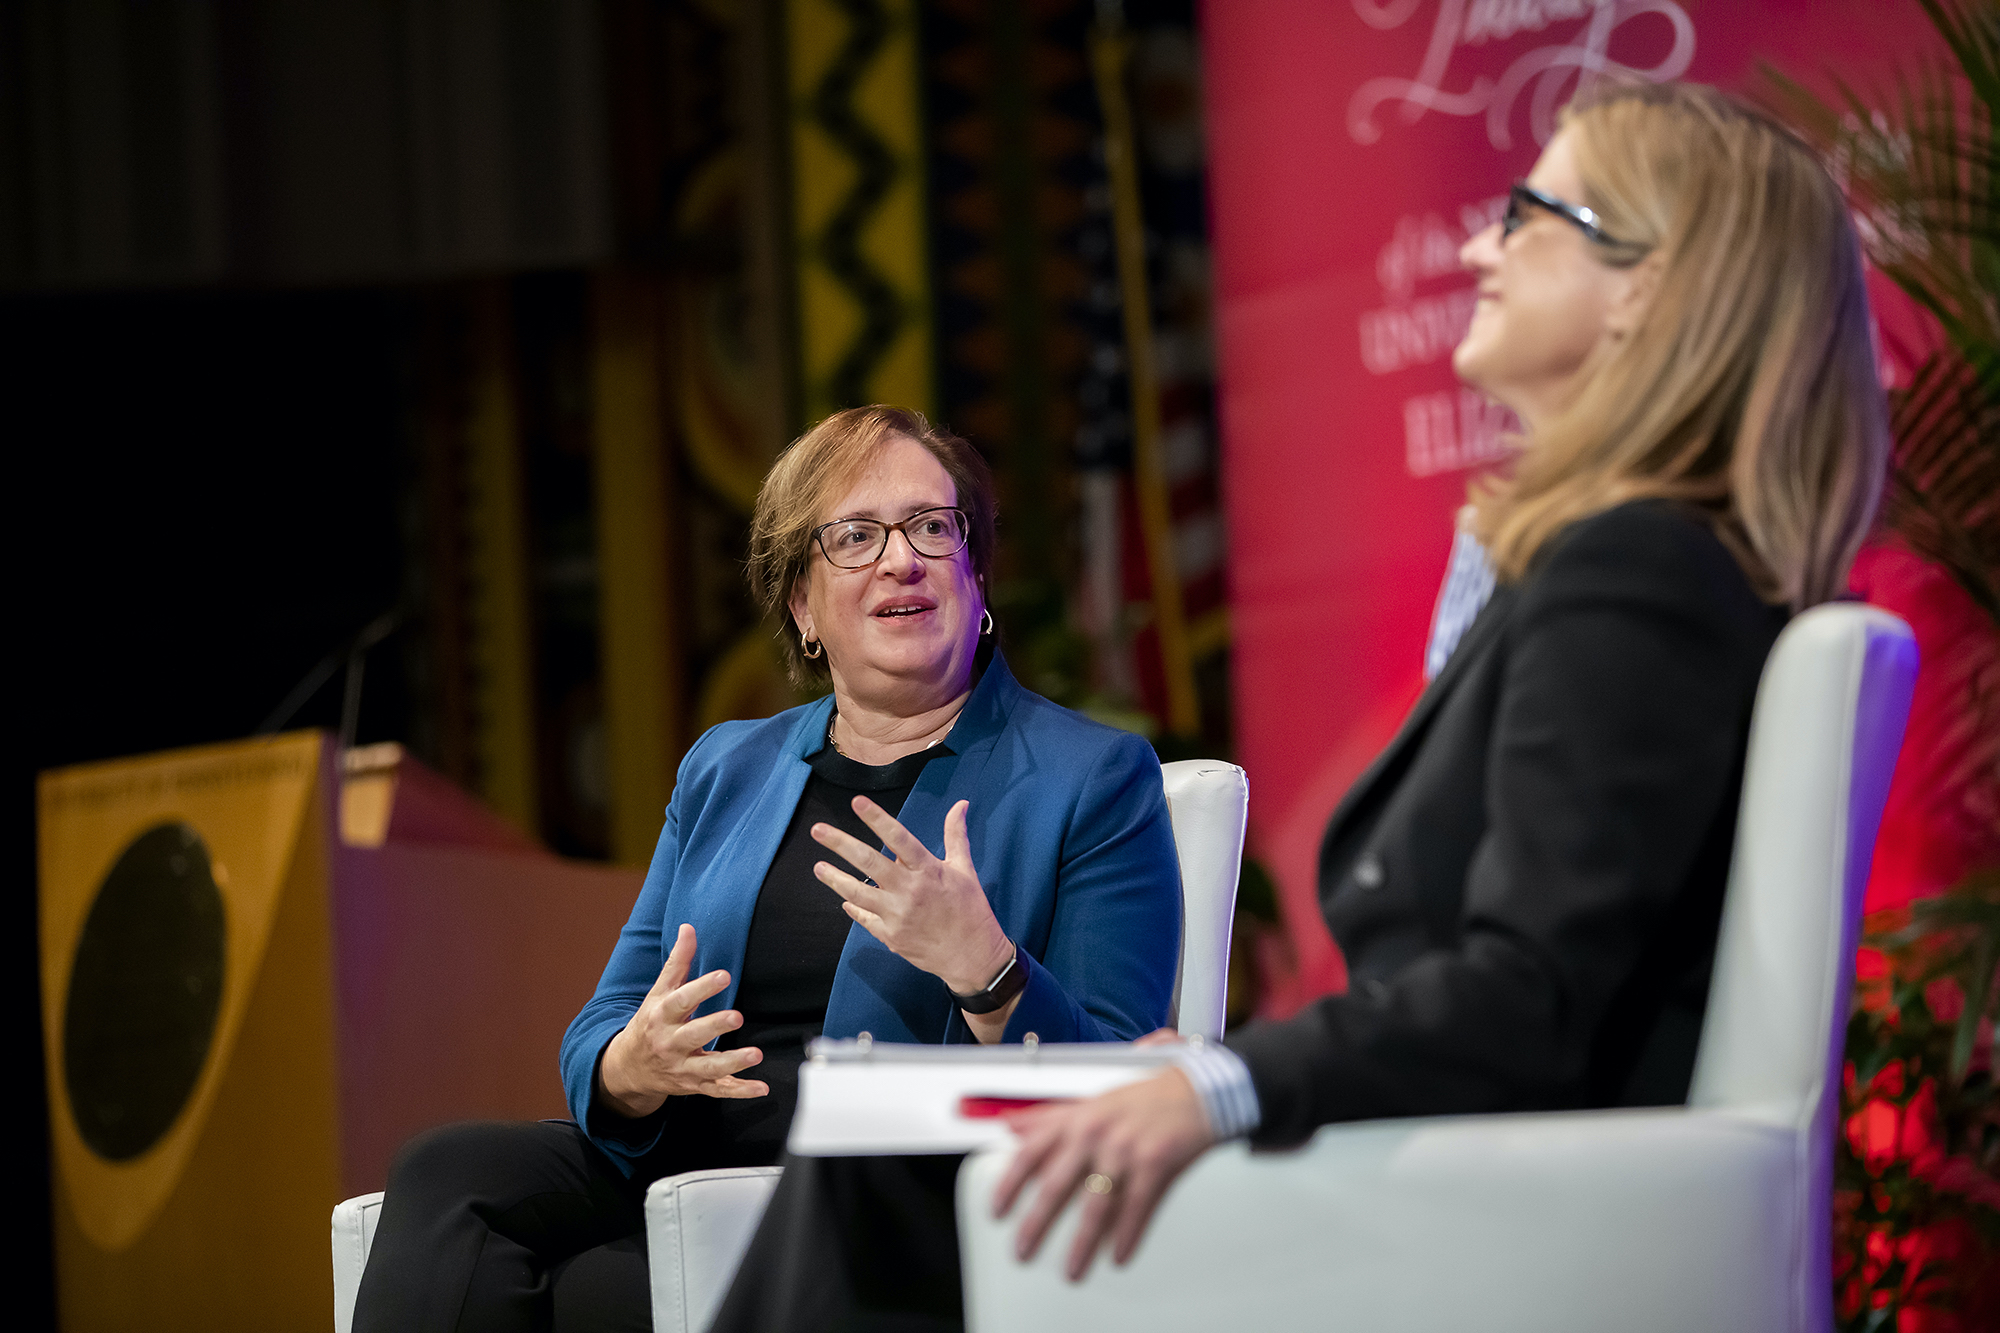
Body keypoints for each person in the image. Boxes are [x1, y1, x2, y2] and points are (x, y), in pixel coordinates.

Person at [711, 80, 1890, 1326]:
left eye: (1531, 214)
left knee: (879, 1163)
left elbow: (1523, 999)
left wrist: (1218, 1083)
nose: (1481, 244)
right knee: (875, 1150)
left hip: (1488, 1194)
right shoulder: (1640, 564)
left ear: (1644, 286)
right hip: (1450, 1154)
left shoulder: (1635, 570)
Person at [351, 406, 1182, 1332]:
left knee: (586, 1296)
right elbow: (602, 1026)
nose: (900, 559)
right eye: (855, 537)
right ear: (802, 606)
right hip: (692, 1163)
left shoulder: (1091, 779)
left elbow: (1120, 1086)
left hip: (883, 1192)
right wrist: (636, 1062)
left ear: (975, 571)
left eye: (930, 527)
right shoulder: (727, 767)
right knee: (446, 1172)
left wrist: (987, 970)